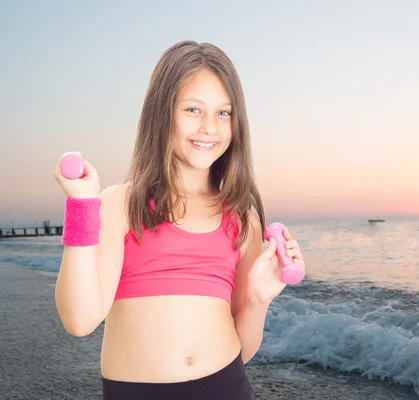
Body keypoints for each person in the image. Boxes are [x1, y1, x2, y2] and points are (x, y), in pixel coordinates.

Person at [52, 40, 305, 400]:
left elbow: (243, 351)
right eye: (192, 109)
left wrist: (259, 299)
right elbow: (79, 320)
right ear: (162, 112)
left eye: (223, 113)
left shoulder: (241, 219)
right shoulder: (120, 205)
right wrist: (80, 206)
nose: (209, 128)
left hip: (227, 387)